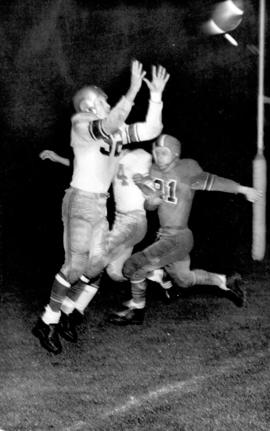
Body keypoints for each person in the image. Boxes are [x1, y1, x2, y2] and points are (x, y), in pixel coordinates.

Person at [32, 61, 170, 354]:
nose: (108, 102)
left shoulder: (116, 131)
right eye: (104, 99)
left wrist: (155, 96)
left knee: (96, 267)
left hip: (99, 204)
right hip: (80, 200)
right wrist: (132, 90)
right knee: (75, 267)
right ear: (91, 105)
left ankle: (67, 313)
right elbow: (108, 125)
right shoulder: (80, 122)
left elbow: (152, 128)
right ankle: (48, 321)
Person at [109, 134, 261, 325]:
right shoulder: (154, 171)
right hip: (165, 237)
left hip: (178, 236)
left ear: (175, 154)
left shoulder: (185, 170)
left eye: (164, 152)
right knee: (184, 280)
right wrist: (149, 198)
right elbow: (152, 206)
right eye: (156, 152)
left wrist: (243, 189)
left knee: (132, 267)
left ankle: (137, 310)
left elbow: (213, 181)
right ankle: (225, 281)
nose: (158, 157)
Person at [38, 147, 172, 342]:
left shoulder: (141, 156)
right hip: (120, 221)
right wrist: (58, 158)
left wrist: (146, 189)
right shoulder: (113, 157)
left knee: (95, 262)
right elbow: (86, 171)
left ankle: (67, 312)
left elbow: (154, 201)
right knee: (116, 273)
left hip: (133, 222)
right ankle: (156, 273)